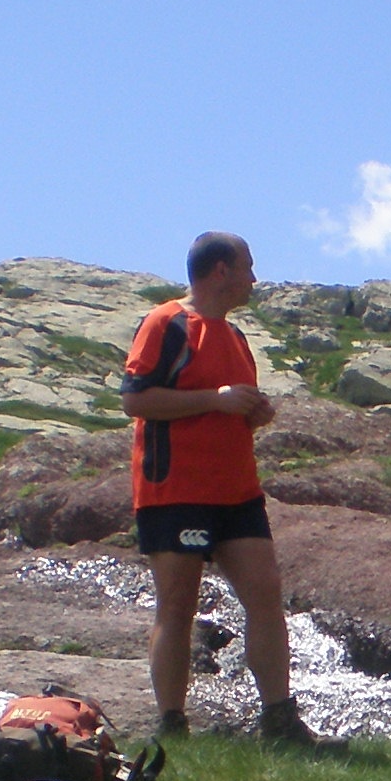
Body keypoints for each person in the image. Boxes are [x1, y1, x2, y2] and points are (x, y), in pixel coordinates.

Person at [123, 231, 322, 745]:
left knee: (266, 594)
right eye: (247, 267)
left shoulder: (235, 336)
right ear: (220, 271)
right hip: (175, 490)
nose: (254, 278)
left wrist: (253, 413)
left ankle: (279, 720)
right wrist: (216, 399)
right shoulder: (166, 322)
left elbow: (231, 408)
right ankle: (172, 725)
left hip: (237, 491)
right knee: (177, 606)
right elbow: (136, 400)